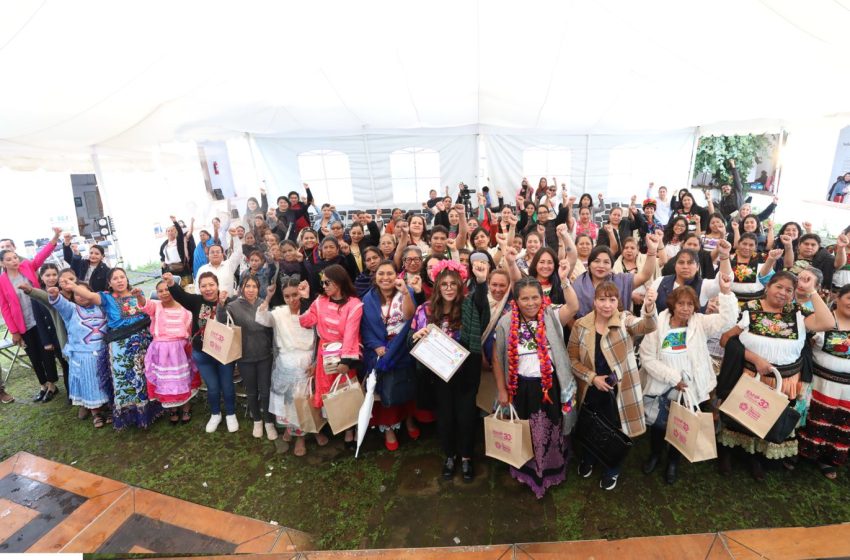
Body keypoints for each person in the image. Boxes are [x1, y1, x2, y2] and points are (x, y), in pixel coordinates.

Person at [716, 272, 834, 480]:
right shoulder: (751, 309)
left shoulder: (798, 312)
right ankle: (728, 453)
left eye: (789, 290)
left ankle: (757, 457)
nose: (783, 293)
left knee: (767, 419)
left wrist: (812, 291)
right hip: (751, 375)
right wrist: (754, 358)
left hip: (785, 380)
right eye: (779, 287)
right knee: (741, 416)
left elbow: (827, 323)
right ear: (768, 286)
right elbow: (726, 340)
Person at [639, 275, 738, 484]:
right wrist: (673, 378)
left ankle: (673, 461)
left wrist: (726, 293)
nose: (685, 308)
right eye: (681, 304)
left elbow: (727, 320)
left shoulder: (700, 323)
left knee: (681, 424)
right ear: (672, 304)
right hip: (664, 385)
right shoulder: (657, 324)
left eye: (690, 304)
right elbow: (647, 357)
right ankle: (656, 454)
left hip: (691, 389)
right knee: (658, 424)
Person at [492, 276, 579, 498]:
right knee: (526, 429)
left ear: (543, 298)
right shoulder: (505, 322)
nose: (531, 303)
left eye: (535, 297)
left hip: (550, 385)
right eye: (525, 299)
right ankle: (527, 469)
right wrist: (502, 390)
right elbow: (496, 358)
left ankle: (552, 468)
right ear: (516, 300)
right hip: (520, 387)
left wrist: (566, 280)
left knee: (552, 427)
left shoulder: (551, 315)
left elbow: (574, 306)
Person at [569, 282, 658, 490]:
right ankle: (588, 458)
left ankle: (612, 468)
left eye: (612, 300)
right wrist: (592, 377)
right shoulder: (581, 325)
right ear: (594, 301)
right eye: (602, 299)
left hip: (620, 389)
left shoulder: (625, 319)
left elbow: (647, 326)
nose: (607, 305)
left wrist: (649, 307)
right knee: (592, 424)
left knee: (618, 430)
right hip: (592, 388)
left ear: (618, 301)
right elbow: (572, 359)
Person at [410, 259, 489, 482]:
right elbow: (411, 338)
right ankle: (449, 455)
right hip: (437, 374)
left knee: (465, 416)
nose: (448, 288)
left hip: (465, 373)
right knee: (445, 417)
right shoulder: (424, 309)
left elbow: (483, 309)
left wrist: (481, 283)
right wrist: (415, 337)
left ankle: (466, 457)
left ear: (460, 285)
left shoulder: (469, 306)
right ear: (436, 286)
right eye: (443, 284)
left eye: (453, 284)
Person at [71, 269, 160, 429]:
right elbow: (90, 296)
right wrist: (73, 286)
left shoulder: (136, 294)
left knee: (146, 378)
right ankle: (131, 416)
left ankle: (150, 412)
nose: (119, 281)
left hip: (144, 343)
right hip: (120, 347)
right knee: (125, 381)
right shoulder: (106, 298)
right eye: (115, 278)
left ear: (126, 279)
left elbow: (150, 310)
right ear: (109, 283)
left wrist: (140, 297)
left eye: (122, 277)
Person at [256, 277, 328, 456]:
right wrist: (267, 298)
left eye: (295, 294)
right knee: (291, 404)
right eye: (287, 296)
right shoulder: (279, 312)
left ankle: (315, 430)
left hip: (307, 361)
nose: (291, 299)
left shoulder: (312, 311)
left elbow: (322, 337)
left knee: (309, 400)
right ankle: (299, 437)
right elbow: (262, 319)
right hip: (286, 363)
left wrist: (316, 363)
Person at [298, 264, 363, 447]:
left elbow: (351, 332)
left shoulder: (354, 304)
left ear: (339, 282)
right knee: (327, 389)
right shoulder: (320, 302)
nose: (324, 286)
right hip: (325, 353)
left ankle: (350, 427)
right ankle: (335, 423)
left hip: (344, 353)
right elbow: (306, 321)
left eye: (328, 282)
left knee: (346, 389)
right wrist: (304, 300)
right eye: (323, 282)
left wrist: (347, 361)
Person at [165, 271, 238, 433]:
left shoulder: (228, 301)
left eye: (211, 285)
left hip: (224, 353)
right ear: (199, 288)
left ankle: (231, 414)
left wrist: (224, 303)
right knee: (212, 387)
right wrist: (171, 283)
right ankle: (215, 414)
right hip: (202, 353)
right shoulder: (195, 301)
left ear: (217, 286)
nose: (208, 289)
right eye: (203, 286)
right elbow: (180, 295)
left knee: (227, 385)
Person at [361, 261, 421, 451]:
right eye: (381, 274)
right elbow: (365, 327)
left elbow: (410, 315)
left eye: (389, 273)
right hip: (380, 351)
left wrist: (405, 292)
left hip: (403, 347)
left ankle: (409, 419)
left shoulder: (405, 292)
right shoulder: (368, 299)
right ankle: (388, 428)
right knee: (385, 388)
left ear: (397, 275)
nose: (385, 277)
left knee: (406, 385)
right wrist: (377, 345)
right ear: (375, 276)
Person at [0, 227, 61, 403]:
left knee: (46, 352)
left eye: (15, 257)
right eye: (9, 259)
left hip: (40, 319)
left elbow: (41, 256)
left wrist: (55, 237)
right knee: (34, 356)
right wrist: (14, 331)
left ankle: (52, 385)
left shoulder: (27, 266)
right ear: (2, 263)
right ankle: (42, 385)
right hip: (22, 324)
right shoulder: (2, 281)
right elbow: (4, 307)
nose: (14, 261)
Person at [799, 285, 850, 478]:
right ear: (838, 298)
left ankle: (827, 458)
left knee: (839, 423)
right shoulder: (825, 321)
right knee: (811, 417)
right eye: (849, 298)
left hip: (847, 390)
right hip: (820, 383)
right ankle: (799, 452)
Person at [46, 283, 111, 427]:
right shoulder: (71, 310)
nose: (81, 296)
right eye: (77, 294)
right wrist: (54, 295)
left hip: (103, 352)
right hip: (83, 356)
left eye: (84, 292)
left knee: (106, 382)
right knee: (90, 384)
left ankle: (109, 407)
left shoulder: (101, 307)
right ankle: (96, 413)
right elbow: (61, 304)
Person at [221, 275, 275, 439]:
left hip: (264, 354)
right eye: (247, 286)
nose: (251, 290)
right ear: (242, 288)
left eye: (254, 286)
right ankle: (257, 421)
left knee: (265, 391)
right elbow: (222, 321)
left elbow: (270, 328)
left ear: (259, 288)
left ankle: (268, 421)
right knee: (251, 391)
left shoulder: (262, 304)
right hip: (244, 357)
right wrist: (220, 305)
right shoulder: (233, 306)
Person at [140, 280, 200, 425]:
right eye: (160, 291)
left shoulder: (185, 308)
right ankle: (173, 409)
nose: (164, 293)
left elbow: (191, 328)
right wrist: (139, 297)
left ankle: (186, 406)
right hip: (161, 351)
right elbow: (145, 306)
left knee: (183, 379)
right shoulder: (157, 307)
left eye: (167, 289)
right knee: (166, 380)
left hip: (180, 350)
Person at [572, 232, 661, 317]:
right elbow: (570, 310)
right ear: (589, 265)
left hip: (616, 329)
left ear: (611, 267)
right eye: (596, 261)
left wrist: (652, 251)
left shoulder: (621, 280)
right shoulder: (578, 283)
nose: (601, 266)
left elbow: (645, 275)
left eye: (606, 262)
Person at [651, 241, 733, 313]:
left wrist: (724, 255)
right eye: (681, 262)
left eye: (690, 263)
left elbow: (724, 280)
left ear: (697, 267)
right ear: (675, 265)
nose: (685, 266)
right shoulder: (660, 281)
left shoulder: (704, 286)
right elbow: (647, 311)